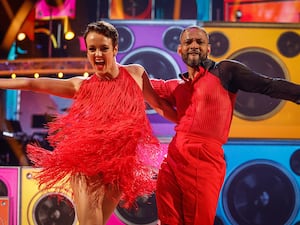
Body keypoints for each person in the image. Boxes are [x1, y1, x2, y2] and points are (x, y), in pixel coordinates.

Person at [0, 21, 177, 225]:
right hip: (88, 165)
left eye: (103, 48)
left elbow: (159, 105)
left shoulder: (136, 73)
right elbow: (31, 83)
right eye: (92, 49)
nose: (97, 54)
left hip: (120, 166)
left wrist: (187, 125)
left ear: (115, 49)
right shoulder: (81, 85)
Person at [150, 25, 300, 225]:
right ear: (179, 50)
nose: (194, 46)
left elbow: (267, 85)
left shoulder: (225, 71)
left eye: (199, 42)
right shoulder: (175, 86)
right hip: (173, 160)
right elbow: (137, 81)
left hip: (204, 159)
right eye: (188, 42)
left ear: (208, 49)